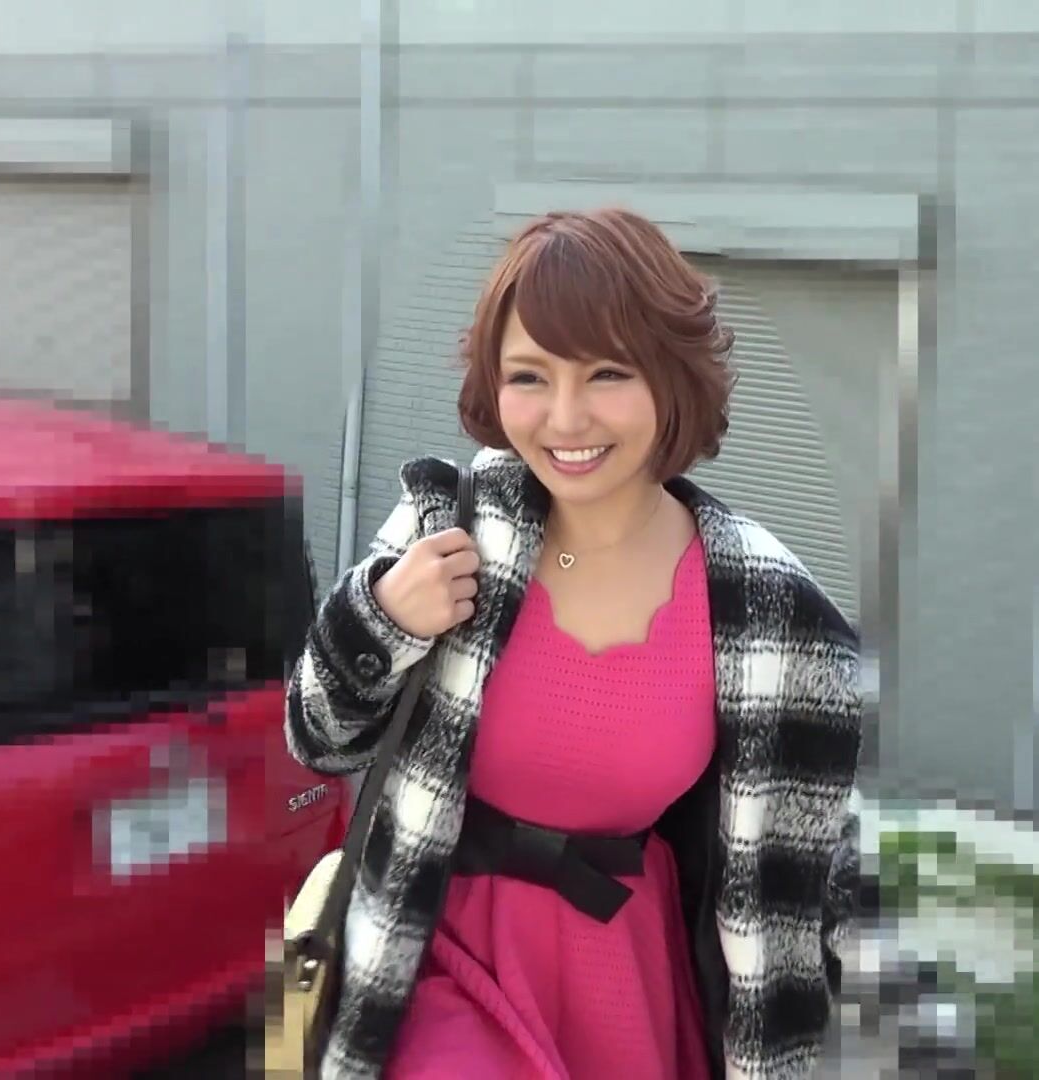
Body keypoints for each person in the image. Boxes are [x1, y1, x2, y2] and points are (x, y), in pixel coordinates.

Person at [286, 206, 863, 1079]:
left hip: (626, 975)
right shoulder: (450, 526)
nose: (565, 418)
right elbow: (316, 738)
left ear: (670, 375)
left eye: (607, 374)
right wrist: (384, 617)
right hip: (430, 949)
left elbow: (819, 871)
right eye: (529, 376)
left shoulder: (769, 609)